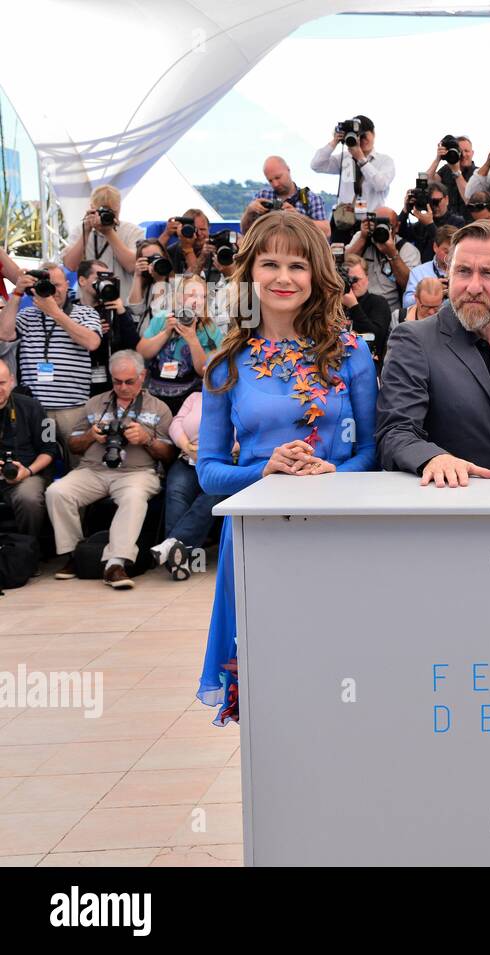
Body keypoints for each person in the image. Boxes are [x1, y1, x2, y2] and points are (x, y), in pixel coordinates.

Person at [197, 211, 379, 726]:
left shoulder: (351, 354)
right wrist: (265, 471)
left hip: (339, 531)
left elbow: (374, 451)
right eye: (269, 263)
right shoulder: (224, 364)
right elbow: (209, 471)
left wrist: (333, 474)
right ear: (249, 273)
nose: (283, 277)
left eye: (297, 265)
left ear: (316, 275)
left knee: (343, 671)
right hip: (257, 538)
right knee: (272, 687)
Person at [376, 219, 490, 487]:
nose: (473, 286)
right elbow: (394, 433)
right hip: (447, 512)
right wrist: (433, 458)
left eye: (488, 274)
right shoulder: (412, 340)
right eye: (463, 272)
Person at [48, 350, 175, 590]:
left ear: (143, 375)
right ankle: (75, 556)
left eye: (129, 381)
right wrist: (90, 436)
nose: (123, 387)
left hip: (138, 472)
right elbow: (73, 446)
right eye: (117, 381)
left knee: (134, 497)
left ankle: (115, 563)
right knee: (57, 491)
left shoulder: (158, 408)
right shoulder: (95, 403)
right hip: (93, 470)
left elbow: (169, 455)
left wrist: (147, 439)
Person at [0, 264, 102, 462]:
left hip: (73, 408)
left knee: (78, 462)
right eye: (47, 285)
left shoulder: (85, 313)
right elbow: (4, 334)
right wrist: (18, 293)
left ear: (67, 285)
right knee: (38, 460)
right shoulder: (27, 315)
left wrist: (55, 313)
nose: (53, 290)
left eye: (57, 284)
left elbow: (92, 342)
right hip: (35, 409)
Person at [152, 389, 221, 581]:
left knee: (210, 495)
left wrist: (210, 452)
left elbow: (244, 435)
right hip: (188, 459)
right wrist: (189, 448)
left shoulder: (238, 397)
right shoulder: (195, 397)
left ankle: (170, 547)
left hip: (221, 463)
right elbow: (176, 424)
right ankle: (178, 560)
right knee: (176, 493)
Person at [136, 274, 220, 414]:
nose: (197, 301)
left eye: (203, 296)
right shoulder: (163, 318)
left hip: (189, 398)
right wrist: (166, 332)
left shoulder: (209, 328)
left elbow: (205, 371)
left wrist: (192, 338)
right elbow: (142, 353)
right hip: (156, 396)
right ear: (180, 297)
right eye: (192, 295)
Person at [0, 355, 56, 540]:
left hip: (27, 474)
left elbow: (50, 450)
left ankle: (29, 553)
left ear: (12, 381)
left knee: (29, 499)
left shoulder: (33, 406)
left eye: (1, 383)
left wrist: (28, 471)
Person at [61, 185, 146, 291]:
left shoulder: (133, 231)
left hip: (122, 301)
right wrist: (86, 232)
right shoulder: (80, 231)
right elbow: (71, 266)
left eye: (112, 212)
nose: (108, 216)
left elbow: (132, 266)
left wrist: (109, 233)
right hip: (88, 304)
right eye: (103, 212)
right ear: (92, 208)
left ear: (119, 207)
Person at [75, 260, 138, 396]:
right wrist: (90, 332)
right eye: (98, 279)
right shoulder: (71, 310)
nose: (104, 283)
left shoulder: (116, 309)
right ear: (82, 280)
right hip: (77, 382)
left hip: (111, 382)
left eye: (108, 278)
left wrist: (121, 313)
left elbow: (133, 345)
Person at [346, 206, 419, 321]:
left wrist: (392, 253)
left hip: (390, 312)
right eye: (377, 224)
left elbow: (409, 285)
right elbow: (343, 265)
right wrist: (362, 239)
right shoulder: (362, 238)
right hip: (358, 306)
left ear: (397, 227)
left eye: (387, 225)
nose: (381, 229)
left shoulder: (407, 250)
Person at [310, 114, 395, 211]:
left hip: (370, 221)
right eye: (358, 136)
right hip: (345, 220)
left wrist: (361, 159)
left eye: (364, 135)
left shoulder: (385, 161)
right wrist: (334, 142)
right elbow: (316, 165)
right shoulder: (345, 158)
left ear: (373, 134)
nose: (361, 140)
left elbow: (381, 185)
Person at [242, 155, 328, 233]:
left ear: (288, 170)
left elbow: (326, 231)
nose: (275, 184)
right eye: (270, 181)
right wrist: (250, 210)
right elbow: (245, 231)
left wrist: (298, 218)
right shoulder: (263, 196)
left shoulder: (309, 198)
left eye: (278, 177)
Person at [341, 253, 392, 367]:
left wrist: (353, 306)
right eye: (347, 279)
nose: (351, 284)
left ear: (367, 279)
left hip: (368, 364)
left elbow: (376, 338)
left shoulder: (378, 303)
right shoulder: (334, 304)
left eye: (355, 280)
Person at [399, 180, 464, 262]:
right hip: (422, 270)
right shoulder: (421, 224)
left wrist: (430, 225)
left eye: (436, 202)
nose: (434, 206)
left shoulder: (458, 222)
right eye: (430, 202)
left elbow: (449, 245)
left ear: (446, 199)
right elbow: (400, 234)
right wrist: (405, 210)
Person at [402, 225, 455, 309]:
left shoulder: (465, 272)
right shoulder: (418, 272)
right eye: (446, 251)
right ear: (435, 247)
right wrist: (430, 291)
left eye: (454, 251)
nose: (450, 256)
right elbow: (406, 303)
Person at [158, 209, 211, 276]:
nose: (199, 233)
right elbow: (153, 258)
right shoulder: (173, 251)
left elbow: (197, 280)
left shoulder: (215, 252)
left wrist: (188, 249)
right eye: (194, 230)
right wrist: (166, 234)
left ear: (209, 229)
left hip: (210, 286)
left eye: (203, 229)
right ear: (183, 230)